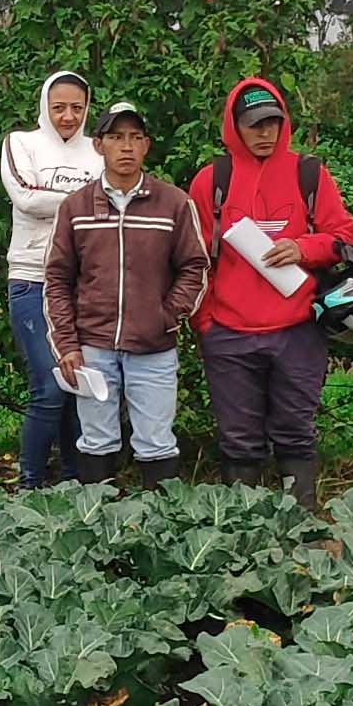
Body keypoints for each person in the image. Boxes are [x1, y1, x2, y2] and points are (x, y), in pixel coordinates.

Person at [188, 76, 353, 508]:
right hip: (228, 332)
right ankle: (245, 532)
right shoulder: (212, 180)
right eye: (254, 125)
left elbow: (341, 237)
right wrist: (204, 321)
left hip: (296, 329)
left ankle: (300, 526)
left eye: (273, 124)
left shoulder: (309, 173)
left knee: (295, 432)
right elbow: (194, 258)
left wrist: (302, 247)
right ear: (234, 127)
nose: (265, 134)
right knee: (239, 440)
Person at [43, 99, 211, 489]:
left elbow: (195, 266)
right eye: (116, 137)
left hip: (154, 349)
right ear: (98, 145)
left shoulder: (173, 203)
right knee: (97, 440)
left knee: (156, 443)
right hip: (94, 348)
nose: (127, 146)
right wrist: (67, 344)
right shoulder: (76, 207)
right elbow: (57, 278)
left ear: (147, 146)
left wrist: (166, 316)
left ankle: (159, 533)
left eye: (136, 137)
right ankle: (99, 533)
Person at [0, 70, 99, 487]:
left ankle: (74, 484)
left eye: (77, 107)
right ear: (44, 106)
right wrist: (86, 203)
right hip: (31, 278)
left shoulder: (97, 151)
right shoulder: (21, 143)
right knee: (50, 385)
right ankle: (30, 482)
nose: (68, 116)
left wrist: (57, 201)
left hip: (83, 284)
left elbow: (109, 202)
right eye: (59, 107)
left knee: (79, 389)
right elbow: (25, 196)